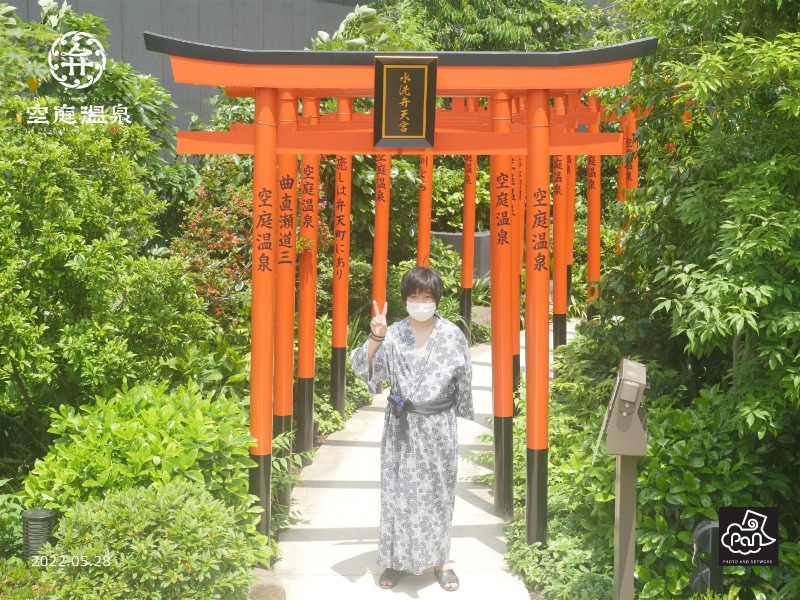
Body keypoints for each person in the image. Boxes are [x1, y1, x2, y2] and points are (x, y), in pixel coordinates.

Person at [350, 266, 474, 592]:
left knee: (438, 493)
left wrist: (460, 411)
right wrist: (376, 336)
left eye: (427, 297)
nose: (420, 302)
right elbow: (366, 372)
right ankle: (395, 558)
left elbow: (464, 380)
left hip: (438, 427)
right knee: (397, 492)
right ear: (405, 299)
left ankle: (440, 561)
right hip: (401, 426)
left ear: (436, 299)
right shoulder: (392, 334)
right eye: (414, 296)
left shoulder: (452, 336)